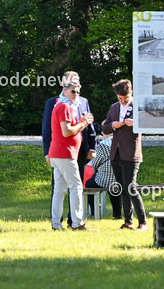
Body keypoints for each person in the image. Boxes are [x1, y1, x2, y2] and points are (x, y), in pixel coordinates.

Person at [42, 70, 95, 226]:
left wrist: (91, 145)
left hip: (63, 152)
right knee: (76, 186)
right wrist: (83, 123)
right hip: (65, 153)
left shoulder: (68, 105)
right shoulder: (63, 106)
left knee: (60, 190)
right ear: (64, 90)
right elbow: (66, 131)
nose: (76, 94)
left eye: (78, 90)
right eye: (72, 91)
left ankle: (56, 224)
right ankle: (78, 223)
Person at [101, 79, 146, 230]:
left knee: (130, 187)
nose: (123, 101)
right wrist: (112, 125)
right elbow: (104, 128)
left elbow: (150, 124)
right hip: (116, 153)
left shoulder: (139, 106)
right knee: (122, 187)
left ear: (131, 92)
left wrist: (136, 123)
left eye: (125, 98)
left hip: (131, 153)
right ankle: (128, 221)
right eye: (120, 98)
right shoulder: (114, 108)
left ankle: (143, 222)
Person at [86, 131, 122, 222]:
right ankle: (117, 214)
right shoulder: (123, 142)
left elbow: (95, 162)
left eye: (104, 130)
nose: (102, 132)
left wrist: (96, 171)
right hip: (120, 179)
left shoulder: (103, 144)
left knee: (89, 183)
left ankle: (94, 211)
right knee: (114, 187)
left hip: (103, 179)